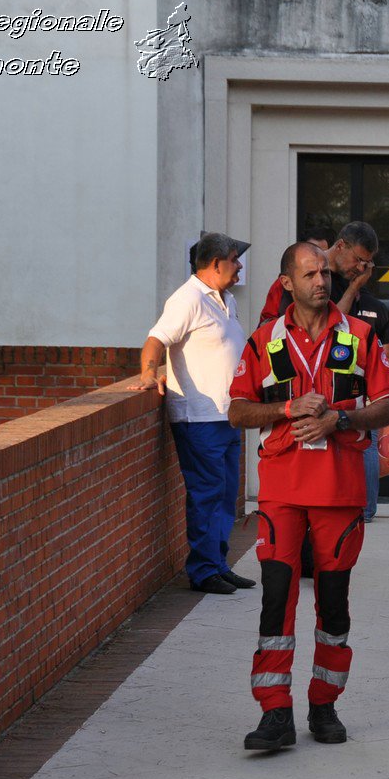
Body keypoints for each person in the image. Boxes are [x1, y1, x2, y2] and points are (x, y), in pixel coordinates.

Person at [226, 242, 389, 752]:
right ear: (287, 283)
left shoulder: (362, 336)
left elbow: (388, 406)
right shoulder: (263, 340)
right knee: (276, 601)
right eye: (310, 273)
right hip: (282, 492)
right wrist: (286, 411)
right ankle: (275, 712)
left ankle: (324, 705)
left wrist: (339, 418)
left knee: (333, 604)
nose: (321, 280)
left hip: (341, 491)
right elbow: (237, 411)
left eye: (325, 271)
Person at [137, 231, 256, 595]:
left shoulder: (226, 300)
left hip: (228, 414)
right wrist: (147, 373)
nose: (239, 267)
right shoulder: (187, 299)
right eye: (235, 260)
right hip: (198, 417)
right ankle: (203, 571)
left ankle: (218, 564)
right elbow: (156, 339)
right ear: (216, 263)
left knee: (225, 494)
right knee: (207, 493)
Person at [258, 222, 389, 523]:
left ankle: (361, 511)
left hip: (343, 392)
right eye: (358, 259)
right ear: (341, 246)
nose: (361, 268)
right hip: (299, 392)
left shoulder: (351, 281)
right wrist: (355, 289)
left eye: (367, 263)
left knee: (359, 441)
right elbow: (319, 327)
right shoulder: (304, 280)